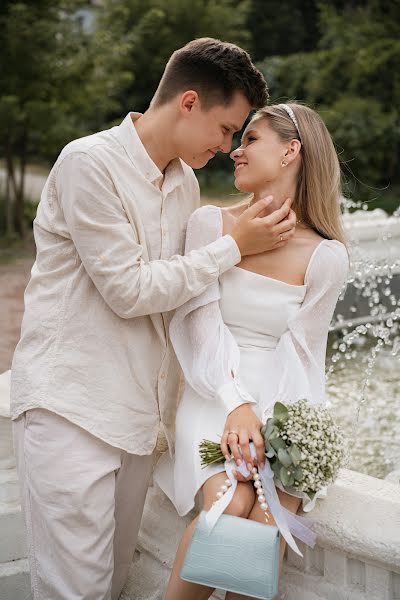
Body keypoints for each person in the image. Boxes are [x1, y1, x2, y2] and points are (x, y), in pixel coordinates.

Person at [10, 38, 298, 600]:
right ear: (188, 102)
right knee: (76, 592)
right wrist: (233, 245)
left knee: (113, 584)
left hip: (137, 421)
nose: (226, 146)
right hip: (71, 408)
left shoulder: (182, 183)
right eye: (224, 128)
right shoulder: (89, 162)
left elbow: (183, 289)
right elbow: (128, 289)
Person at [154, 102, 349, 600]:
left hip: (278, 403)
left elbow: (305, 357)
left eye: (252, 139)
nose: (235, 150)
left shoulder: (326, 256)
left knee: (267, 517)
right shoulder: (211, 225)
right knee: (228, 503)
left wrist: (281, 433)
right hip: (213, 392)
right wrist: (236, 404)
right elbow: (197, 325)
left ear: (291, 151)